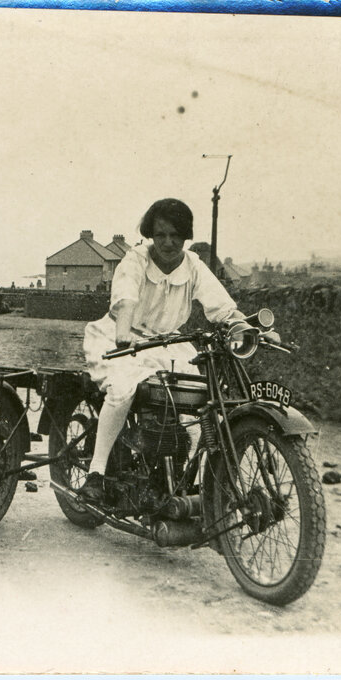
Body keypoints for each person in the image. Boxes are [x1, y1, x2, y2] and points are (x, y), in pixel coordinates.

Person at [78, 198, 246, 503]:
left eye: (176, 236)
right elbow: (126, 297)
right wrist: (123, 333)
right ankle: (96, 474)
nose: (168, 243)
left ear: (186, 236)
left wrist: (247, 328)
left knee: (199, 398)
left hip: (168, 343)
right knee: (122, 390)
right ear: (151, 235)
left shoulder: (193, 265)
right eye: (161, 235)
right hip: (122, 338)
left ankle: (176, 473)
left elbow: (221, 306)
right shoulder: (136, 260)